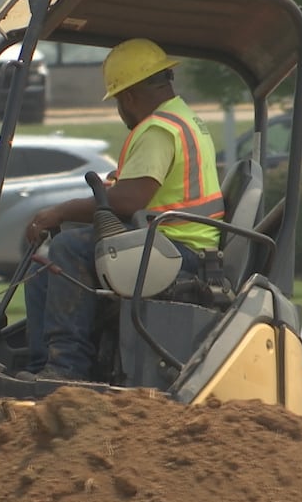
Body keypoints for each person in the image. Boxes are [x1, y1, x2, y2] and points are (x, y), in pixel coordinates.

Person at [19, 38, 224, 382]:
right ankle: (42, 366)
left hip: (179, 250)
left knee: (68, 247)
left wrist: (62, 211)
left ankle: (66, 371)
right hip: (170, 242)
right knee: (47, 265)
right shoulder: (183, 119)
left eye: (117, 100)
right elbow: (133, 191)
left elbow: (129, 201)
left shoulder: (159, 129)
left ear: (127, 96)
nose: (119, 109)